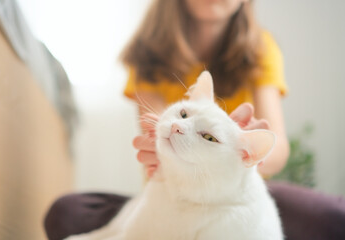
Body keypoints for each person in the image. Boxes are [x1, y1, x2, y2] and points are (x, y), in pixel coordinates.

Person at [44, 1, 345, 240]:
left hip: (235, 191)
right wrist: (158, 149)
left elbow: (276, 151)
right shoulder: (146, 53)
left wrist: (242, 147)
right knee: (67, 213)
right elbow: (159, 129)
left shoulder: (261, 47)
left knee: (334, 218)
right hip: (172, 193)